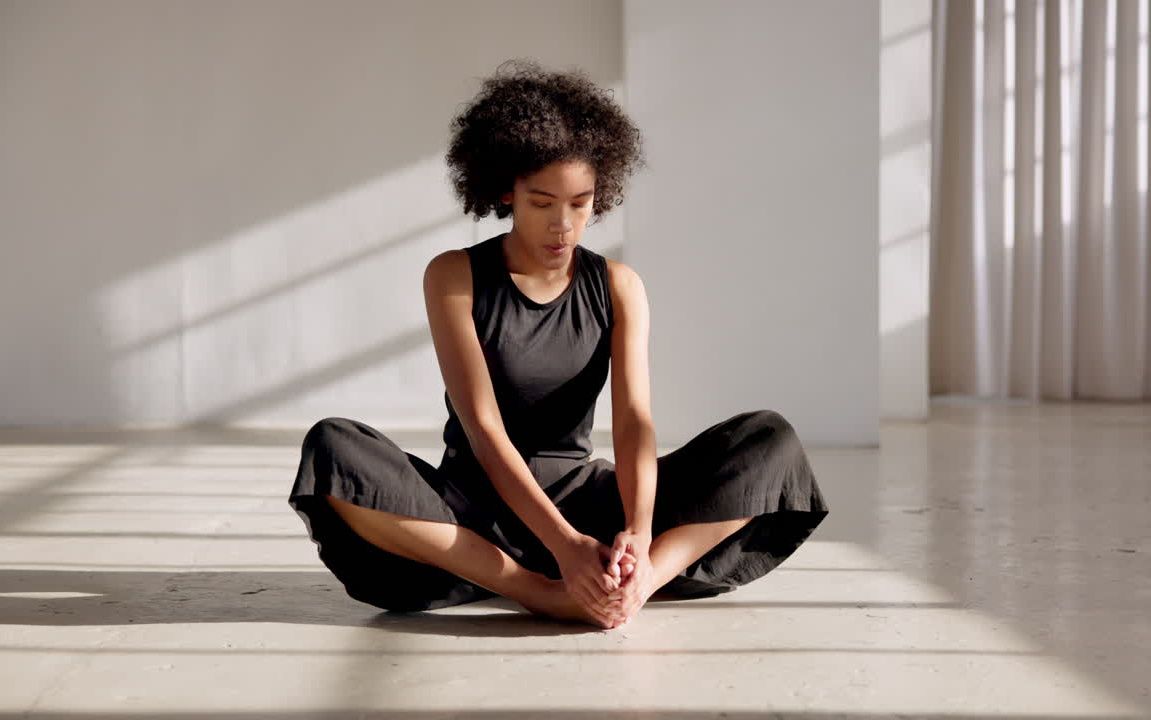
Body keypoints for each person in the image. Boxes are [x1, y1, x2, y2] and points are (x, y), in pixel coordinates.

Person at [287, 59, 829, 630]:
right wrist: (565, 548)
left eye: (580, 203)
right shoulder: (453, 276)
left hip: (588, 504)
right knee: (333, 446)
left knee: (769, 440)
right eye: (542, 203)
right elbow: (484, 430)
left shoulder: (618, 285)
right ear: (507, 192)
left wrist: (638, 533)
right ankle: (535, 589)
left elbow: (633, 423)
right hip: (471, 516)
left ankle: (641, 582)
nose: (563, 225)